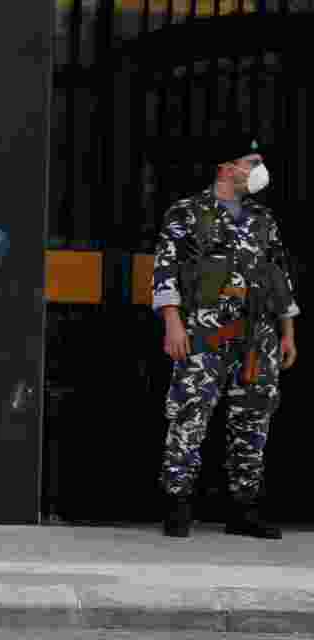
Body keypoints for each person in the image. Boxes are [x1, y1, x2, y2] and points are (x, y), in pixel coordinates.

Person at [153, 133, 300, 540]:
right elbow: (165, 271)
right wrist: (172, 323)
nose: (258, 169)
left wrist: (287, 332)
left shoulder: (263, 219)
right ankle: (178, 503)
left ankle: (244, 508)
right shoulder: (186, 212)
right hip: (204, 329)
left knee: (253, 419)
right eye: (251, 161)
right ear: (225, 168)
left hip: (258, 334)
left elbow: (280, 277)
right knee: (189, 415)